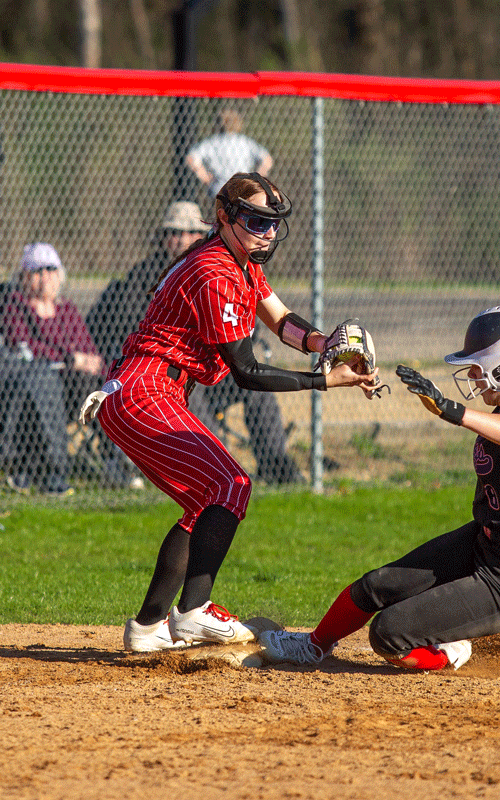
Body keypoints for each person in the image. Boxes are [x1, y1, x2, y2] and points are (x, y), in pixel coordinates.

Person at [90, 172, 380, 653]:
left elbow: (280, 318)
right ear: (224, 215)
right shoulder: (215, 270)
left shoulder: (238, 261)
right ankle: (193, 612)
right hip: (145, 388)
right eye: (254, 220)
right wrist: (324, 379)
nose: (266, 232)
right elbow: (246, 371)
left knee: (203, 503)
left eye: (272, 224)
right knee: (231, 484)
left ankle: (147, 627)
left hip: (152, 387)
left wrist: (322, 343)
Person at [259, 296, 500, 670]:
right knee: (376, 585)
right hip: (486, 542)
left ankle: (450, 650)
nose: (472, 376)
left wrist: (452, 411)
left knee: (389, 634)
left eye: (479, 367)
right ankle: (313, 646)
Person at [85, 200, 304, 485]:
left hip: (216, 367)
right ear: (164, 237)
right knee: (192, 390)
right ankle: (222, 472)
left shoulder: (220, 267)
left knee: (257, 389)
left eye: (190, 232)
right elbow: (132, 327)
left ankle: (275, 463)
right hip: (169, 375)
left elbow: (244, 318)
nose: (182, 239)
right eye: (174, 232)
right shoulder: (143, 278)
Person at [0, 243, 107, 495]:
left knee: (104, 387)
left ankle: (116, 460)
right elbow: (23, 346)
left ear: (60, 274)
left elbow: (88, 350)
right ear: (24, 277)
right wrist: (71, 359)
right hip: (33, 385)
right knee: (40, 383)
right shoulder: (15, 305)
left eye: (50, 269)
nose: (44, 276)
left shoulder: (67, 309)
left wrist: (83, 361)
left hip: (72, 389)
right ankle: (49, 471)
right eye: (36, 270)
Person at [186, 110, 273, 199]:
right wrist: (255, 179)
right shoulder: (244, 142)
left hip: (220, 188)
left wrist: (205, 177)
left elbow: (191, 158)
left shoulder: (212, 142)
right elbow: (267, 159)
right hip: (242, 187)